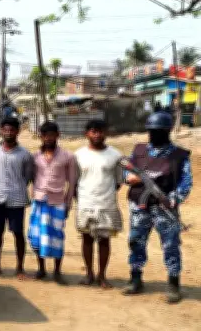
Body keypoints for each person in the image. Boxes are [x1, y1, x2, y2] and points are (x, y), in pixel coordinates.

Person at [123, 112, 192, 303]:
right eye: (152, 131)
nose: (154, 134)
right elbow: (126, 173)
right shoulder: (139, 150)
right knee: (136, 242)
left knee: (171, 245)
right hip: (140, 206)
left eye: (159, 131)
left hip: (166, 209)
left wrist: (172, 199)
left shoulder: (179, 155)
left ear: (168, 131)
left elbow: (186, 183)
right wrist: (133, 178)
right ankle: (135, 278)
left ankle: (173, 283)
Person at [74, 120, 123, 289]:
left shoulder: (115, 155)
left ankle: (102, 275)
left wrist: (105, 195)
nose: (97, 135)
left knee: (104, 240)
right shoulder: (78, 155)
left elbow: (118, 182)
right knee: (87, 239)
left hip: (106, 204)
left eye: (101, 131)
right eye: (94, 131)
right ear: (86, 134)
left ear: (106, 133)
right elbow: (75, 180)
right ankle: (89, 274)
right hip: (85, 203)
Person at [29, 122, 77, 285]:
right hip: (39, 201)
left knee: (57, 237)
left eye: (51, 135)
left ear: (57, 135)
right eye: (45, 135)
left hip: (57, 202)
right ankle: (41, 269)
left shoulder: (68, 156)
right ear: (41, 137)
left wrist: (68, 204)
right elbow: (32, 178)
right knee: (37, 236)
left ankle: (57, 271)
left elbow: (72, 183)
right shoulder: (35, 156)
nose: (48, 138)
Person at [0, 117, 34, 279]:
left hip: (17, 199)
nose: (8, 133)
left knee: (18, 233)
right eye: (6, 129)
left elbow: (27, 177)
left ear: (17, 132)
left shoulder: (25, 154)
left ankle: (20, 268)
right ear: (1, 130)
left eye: (12, 130)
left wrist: (17, 187)